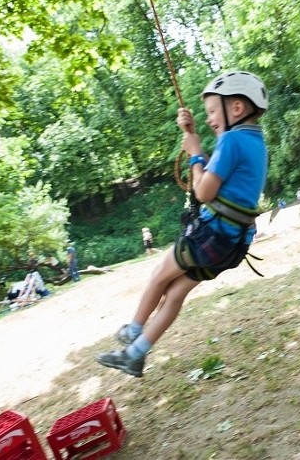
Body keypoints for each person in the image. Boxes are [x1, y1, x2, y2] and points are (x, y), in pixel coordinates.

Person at [97, 70, 269, 377]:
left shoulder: (231, 141)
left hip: (210, 236)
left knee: (158, 277)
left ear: (237, 108)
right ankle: (135, 356)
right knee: (175, 294)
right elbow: (223, 168)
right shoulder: (254, 142)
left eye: (214, 111)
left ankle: (132, 331)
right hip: (233, 243)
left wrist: (194, 154)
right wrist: (192, 134)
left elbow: (203, 192)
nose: (211, 119)